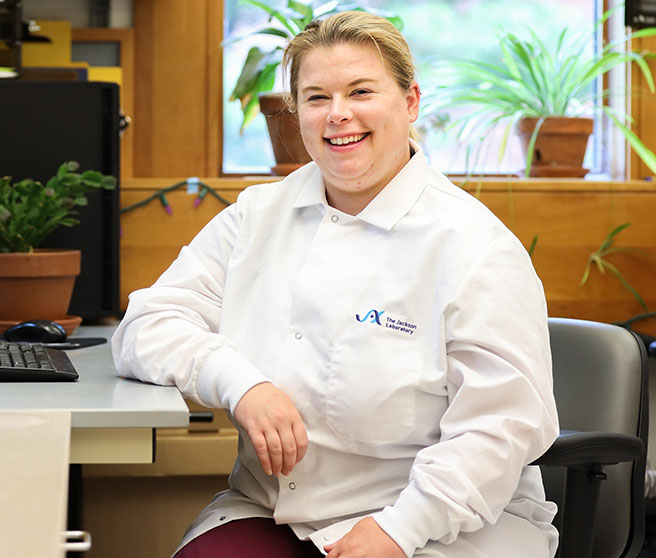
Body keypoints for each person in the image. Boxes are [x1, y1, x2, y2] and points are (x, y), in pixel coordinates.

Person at [111, 10, 560, 558]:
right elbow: (146, 326)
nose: (338, 114)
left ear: (410, 101)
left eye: (361, 91)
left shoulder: (474, 245)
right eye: (317, 97)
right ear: (296, 112)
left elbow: (500, 427)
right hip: (273, 509)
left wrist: (403, 527)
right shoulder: (257, 215)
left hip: (444, 522)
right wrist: (240, 382)